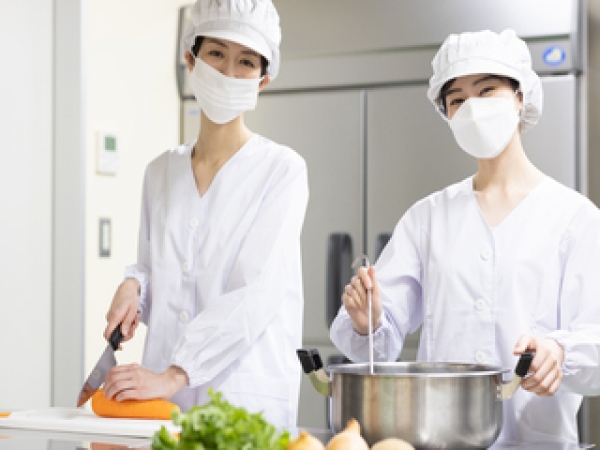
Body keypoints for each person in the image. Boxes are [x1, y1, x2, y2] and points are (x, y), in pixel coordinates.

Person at [330, 29, 600, 444]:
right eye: (457, 100)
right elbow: (377, 346)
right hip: (440, 438)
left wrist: (560, 354)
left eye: (487, 91)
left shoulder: (574, 218)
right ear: (447, 115)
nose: (472, 108)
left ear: (520, 96)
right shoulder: (427, 218)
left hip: (535, 441)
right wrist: (369, 323)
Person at [101, 0, 308, 430]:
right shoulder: (160, 172)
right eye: (216, 53)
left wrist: (176, 374)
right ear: (190, 59)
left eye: (246, 61)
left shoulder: (281, 170)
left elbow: (255, 292)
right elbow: (162, 273)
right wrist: (134, 285)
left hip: (242, 398)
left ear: (263, 80)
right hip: (162, 402)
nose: (229, 72)